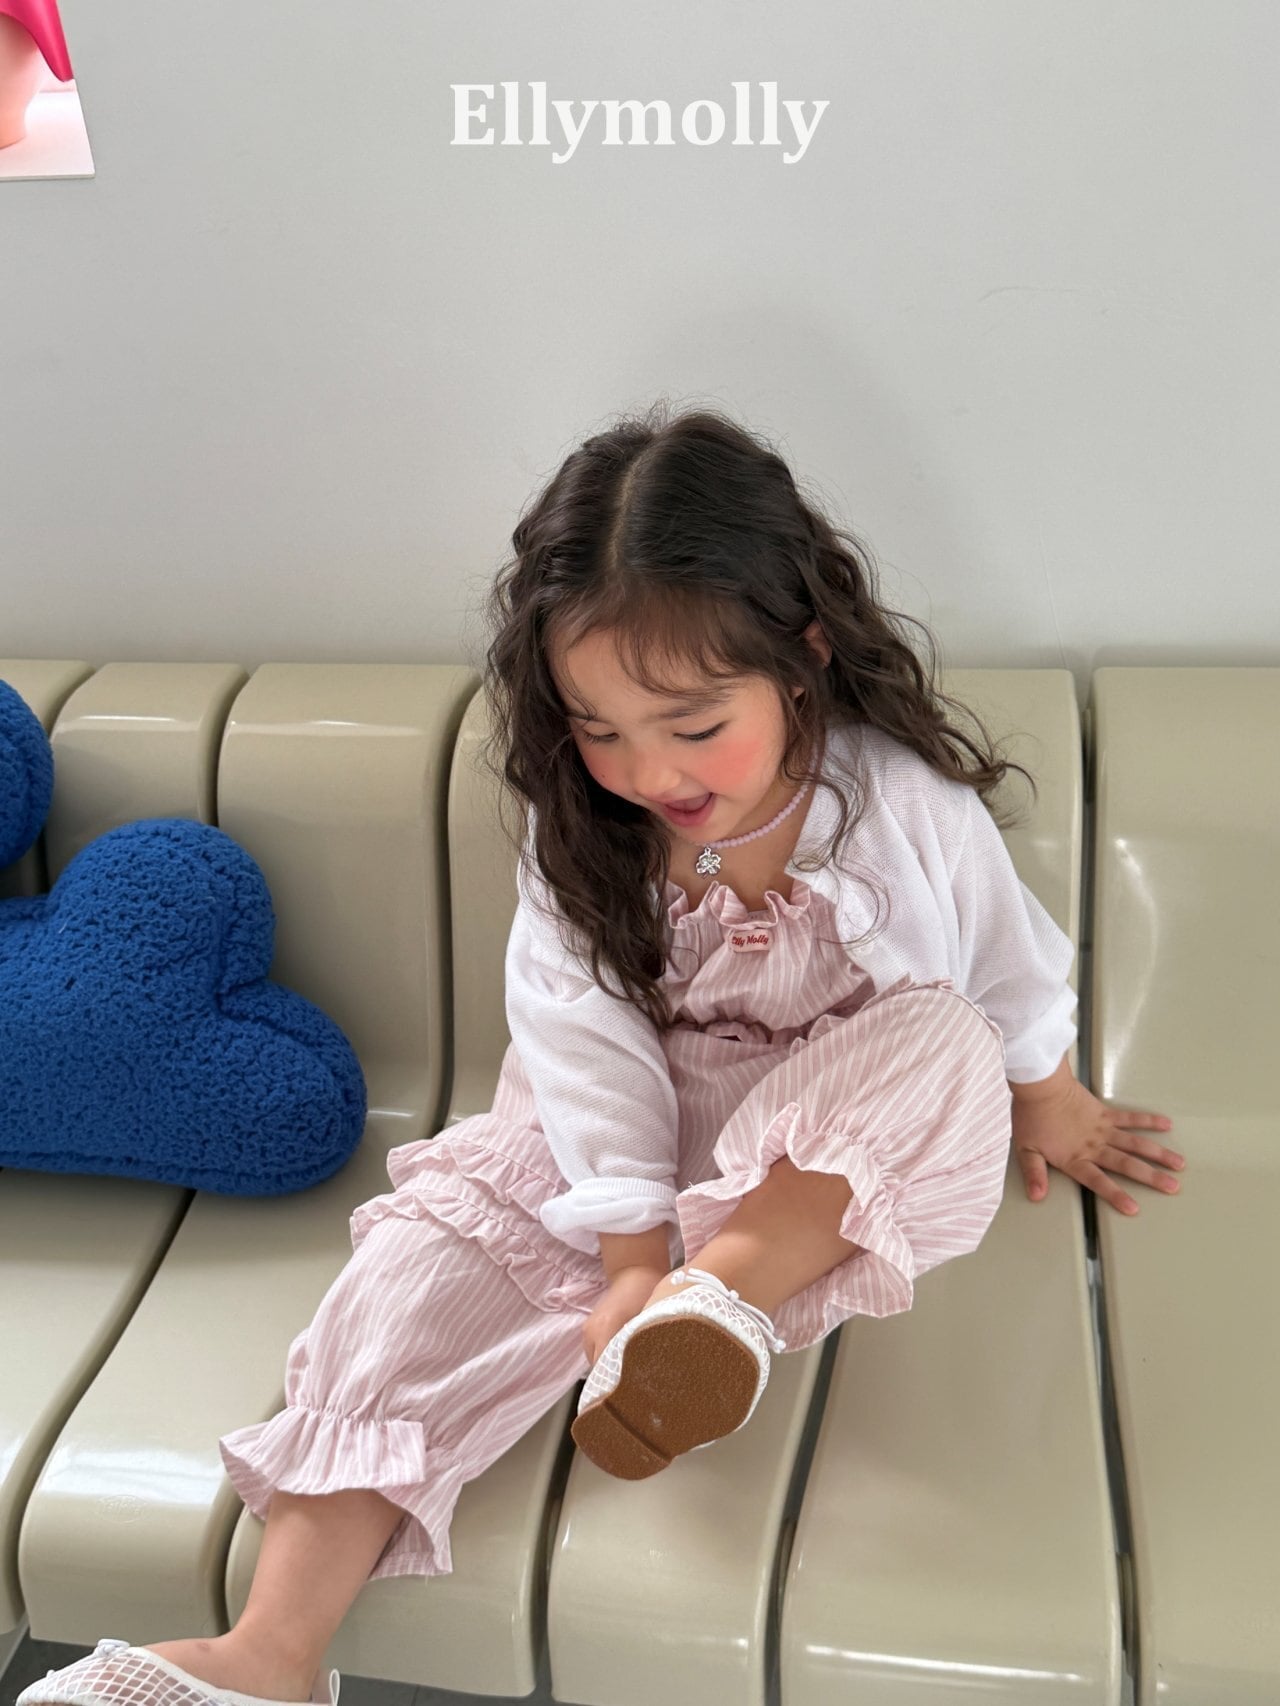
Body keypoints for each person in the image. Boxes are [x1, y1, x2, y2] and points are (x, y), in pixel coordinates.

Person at [21, 403, 1186, 1706]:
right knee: (408, 1284)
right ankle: (266, 1654)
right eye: (601, 726)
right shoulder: (586, 827)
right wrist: (631, 1248)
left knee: (946, 1045)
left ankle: (719, 1298)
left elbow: (1006, 969)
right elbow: (580, 1037)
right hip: (606, 1129)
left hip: (816, 1143)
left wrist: (1051, 1094)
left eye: (692, 724)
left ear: (802, 653)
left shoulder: (899, 806)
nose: (648, 770)